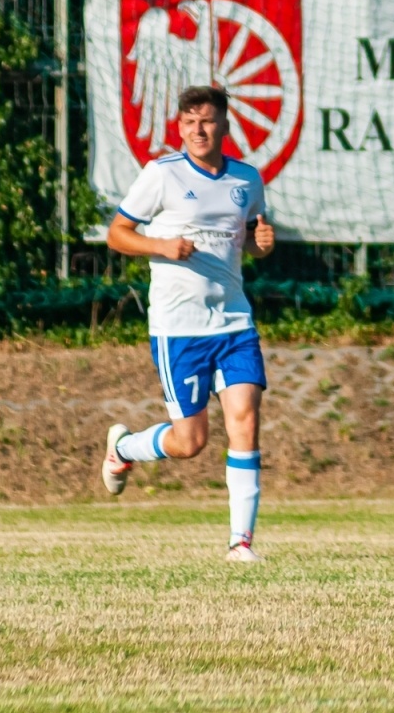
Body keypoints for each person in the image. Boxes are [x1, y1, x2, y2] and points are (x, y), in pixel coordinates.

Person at [101, 85, 276, 562]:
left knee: (245, 418)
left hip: (234, 321)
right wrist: (161, 245)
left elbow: (249, 247)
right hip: (180, 328)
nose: (198, 130)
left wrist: (262, 243)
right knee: (190, 442)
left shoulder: (246, 179)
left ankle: (241, 544)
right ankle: (126, 448)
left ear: (224, 124)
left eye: (207, 120)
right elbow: (117, 234)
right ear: (180, 127)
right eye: (189, 122)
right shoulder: (163, 174)